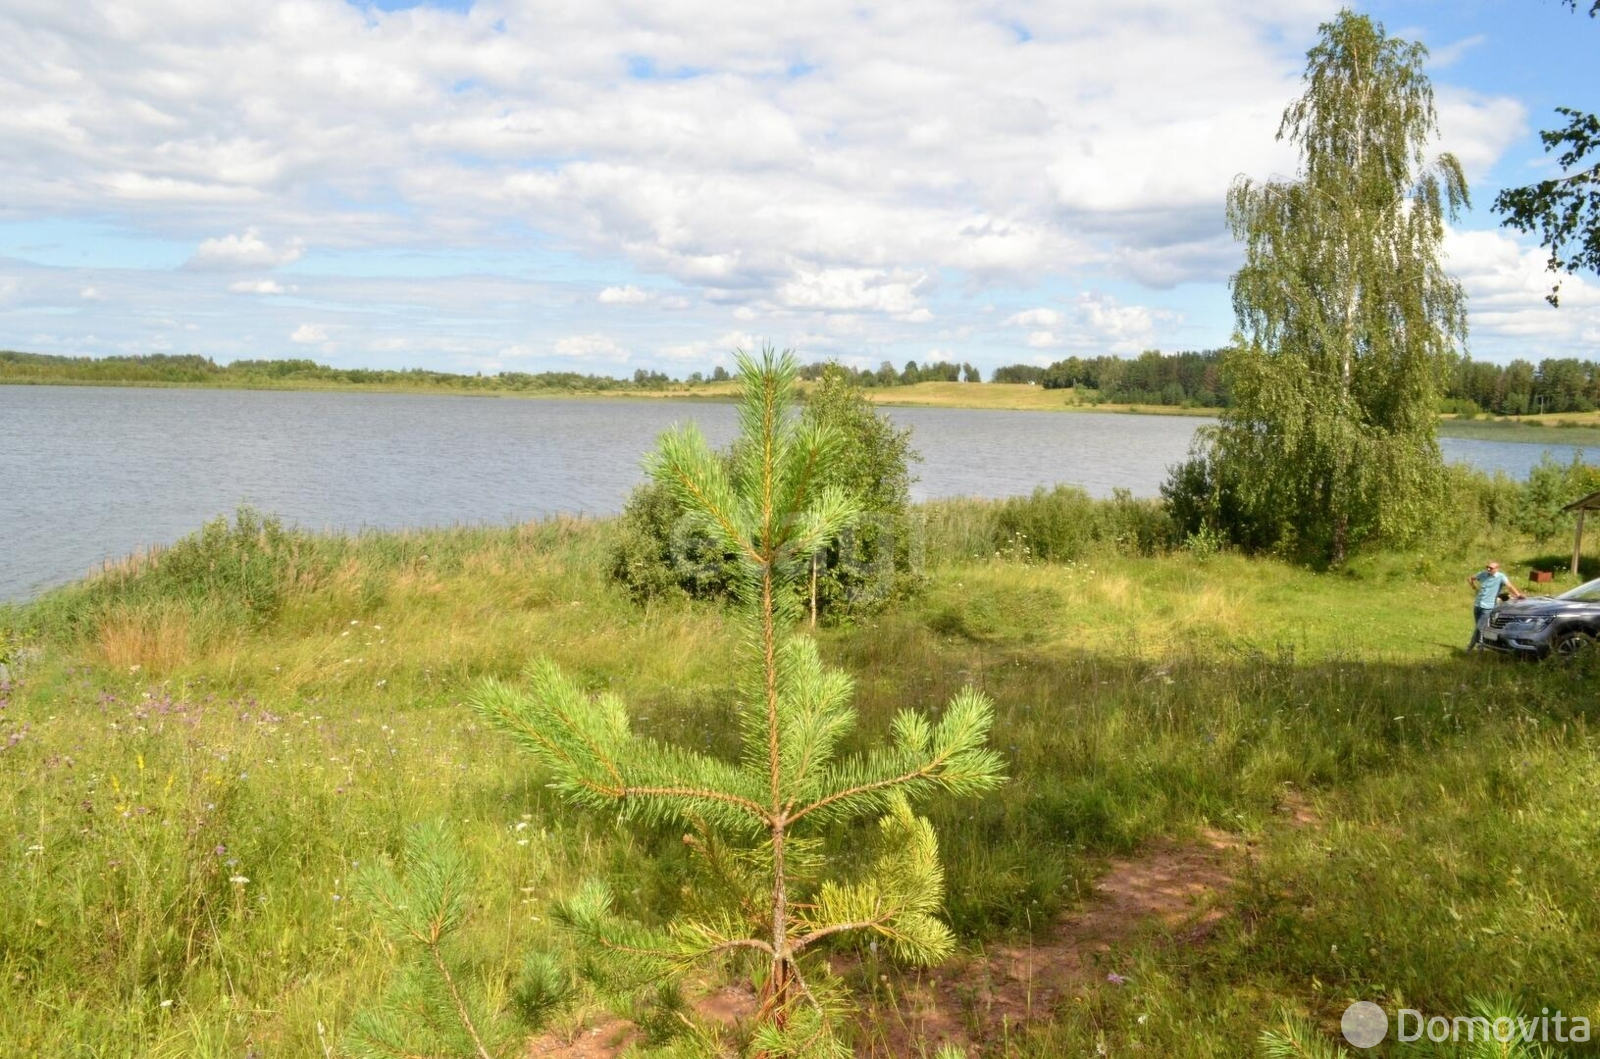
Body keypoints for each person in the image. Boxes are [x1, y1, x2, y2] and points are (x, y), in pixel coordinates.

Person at [1467, 561, 1524, 651]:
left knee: (1479, 627)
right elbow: (1470, 578)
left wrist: (1518, 595)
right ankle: (1481, 646)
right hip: (1478, 605)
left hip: (1488, 607)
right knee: (1479, 627)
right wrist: (1475, 588)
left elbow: (1509, 586)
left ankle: (1470, 648)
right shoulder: (1483, 574)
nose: (1488, 569)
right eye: (1487, 567)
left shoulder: (1500, 577)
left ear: (1497, 569)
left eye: (1491, 568)